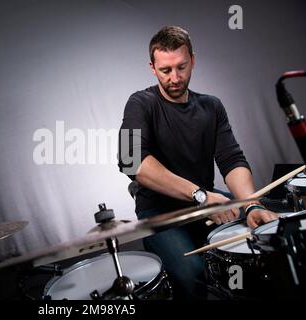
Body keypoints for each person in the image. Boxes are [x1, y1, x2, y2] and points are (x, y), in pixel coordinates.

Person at [118, 26, 277, 299]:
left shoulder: (212, 106)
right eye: (166, 70)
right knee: (192, 274)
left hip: (208, 202)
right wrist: (200, 196)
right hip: (160, 212)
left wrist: (250, 204)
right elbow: (130, 161)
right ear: (152, 68)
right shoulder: (139, 103)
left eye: (181, 67)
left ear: (193, 59)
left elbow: (231, 159)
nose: (175, 77)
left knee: (269, 238)